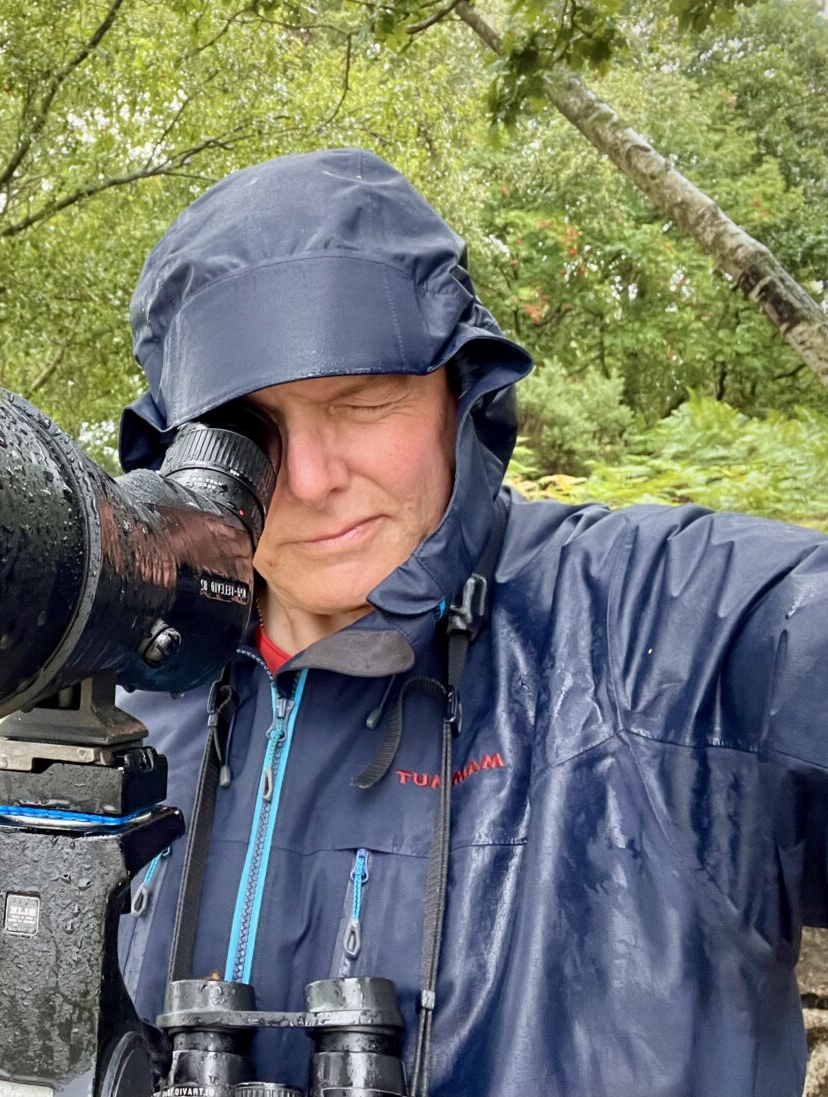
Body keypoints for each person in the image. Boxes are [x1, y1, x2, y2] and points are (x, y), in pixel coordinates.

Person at [112, 148, 828, 1096]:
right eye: (250, 434)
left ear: (463, 393)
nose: (316, 479)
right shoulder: (127, 697)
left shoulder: (660, 626)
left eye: (362, 400)